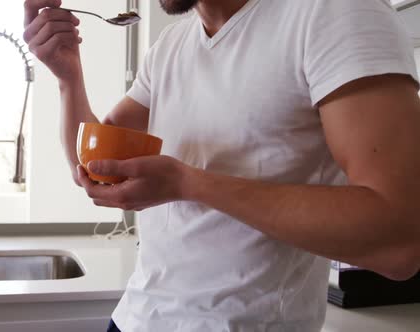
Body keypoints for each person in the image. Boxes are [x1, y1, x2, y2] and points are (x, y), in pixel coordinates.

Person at [23, 0, 420, 330]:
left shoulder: (334, 13)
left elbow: (401, 240)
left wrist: (188, 183)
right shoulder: (169, 46)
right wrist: (67, 75)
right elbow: (96, 158)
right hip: (134, 319)